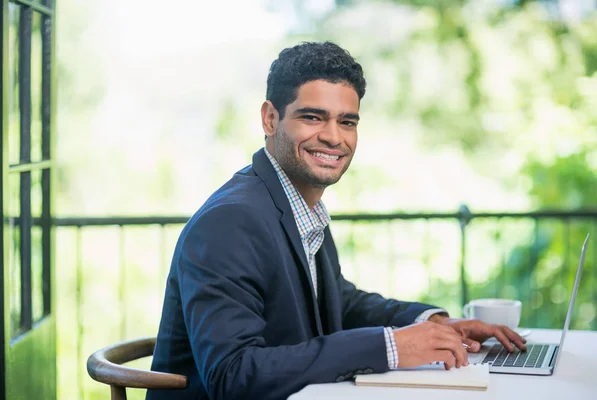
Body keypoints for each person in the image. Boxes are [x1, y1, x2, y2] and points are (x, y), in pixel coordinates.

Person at [146, 41, 526, 400]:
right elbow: (233, 375)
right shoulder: (230, 222)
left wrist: (434, 322)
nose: (333, 137)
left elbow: (337, 303)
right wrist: (391, 347)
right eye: (312, 117)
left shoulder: (301, 205)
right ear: (270, 118)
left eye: (347, 122)